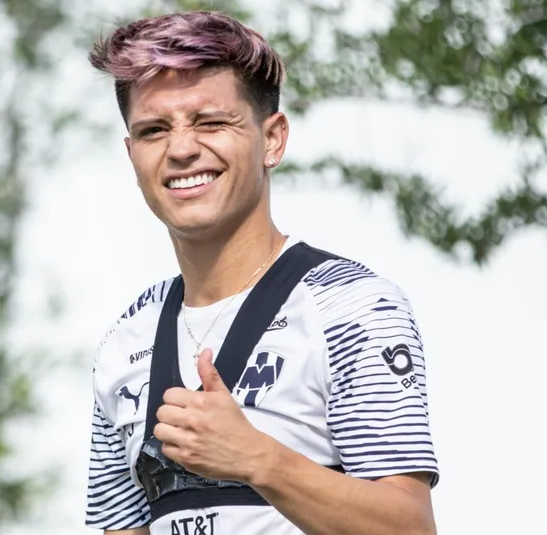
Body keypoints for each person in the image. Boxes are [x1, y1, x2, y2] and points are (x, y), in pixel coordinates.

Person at [86, 10, 439, 535]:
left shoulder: (350, 305)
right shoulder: (125, 340)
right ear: (131, 153)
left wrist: (259, 460)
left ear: (272, 139)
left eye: (210, 122)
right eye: (154, 130)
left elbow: (410, 528)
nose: (181, 149)